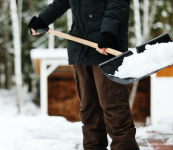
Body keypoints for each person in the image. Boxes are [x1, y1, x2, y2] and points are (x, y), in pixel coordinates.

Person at [28, 0, 139, 149]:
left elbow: (118, 5)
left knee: (114, 107)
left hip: (107, 51)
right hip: (81, 51)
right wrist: (42, 20)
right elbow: (61, 2)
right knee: (89, 110)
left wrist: (108, 33)